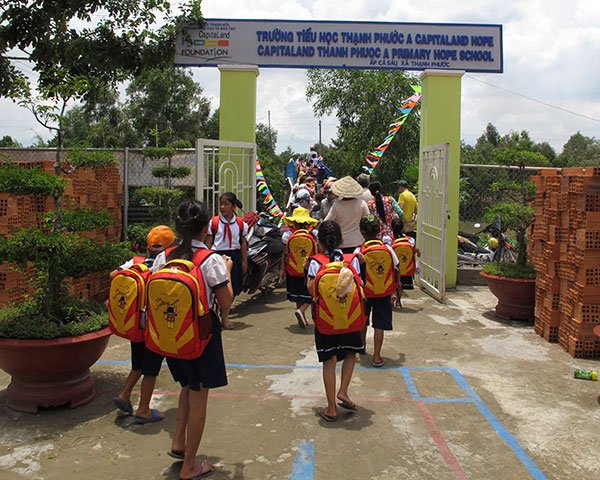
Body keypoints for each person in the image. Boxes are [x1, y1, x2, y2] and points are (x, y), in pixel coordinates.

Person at [152, 200, 233, 480]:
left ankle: (178, 442)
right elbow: (226, 301)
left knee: (187, 385)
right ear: (206, 227)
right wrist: (228, 270)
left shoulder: (164, 257)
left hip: (171, 336)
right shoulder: (211, 260)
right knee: (200, 396)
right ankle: (189, 466)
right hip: (202, 335)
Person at [110, 225, 175, 423]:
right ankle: (144, 409)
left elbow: (113, 276)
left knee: (137, 364)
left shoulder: (135, 262)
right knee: (151, 370)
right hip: (154, 326)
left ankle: (124, 395)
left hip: (135, 324)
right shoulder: (166, 267)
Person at [306, 221, 365, 422]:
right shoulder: (351, 260)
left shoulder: (315, 262)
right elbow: (360, 285)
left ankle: (331, 408)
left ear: (319, 242)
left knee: (329, 360)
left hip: (326, 319)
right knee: (350, 352)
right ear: (341, 240)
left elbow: (310, 290)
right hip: (349, 316)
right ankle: (344, 392)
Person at [356, 215, 399, 367]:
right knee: (379, 325)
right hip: (384, 292)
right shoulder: (387, 248)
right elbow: (396, 266)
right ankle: (377, 356)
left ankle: (361, 347)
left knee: (362, 321)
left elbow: (354, 272)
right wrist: (396, 286)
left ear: (361, 232)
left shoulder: (359, 251)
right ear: (379, 230)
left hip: (365, 293)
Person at [206, 192, 248, 330]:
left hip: (234, 256)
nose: (222, 207)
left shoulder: (240, 223)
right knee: (216, 286)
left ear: (234, 207)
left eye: (226, 204)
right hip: (217, 256)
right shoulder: (214, 222)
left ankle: (225, 316)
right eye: (221, 204)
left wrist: (244, 261)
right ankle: (216, 313)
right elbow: (209, 241)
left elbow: (243, 243)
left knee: (233, 287)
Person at [280, 207, 318, 328]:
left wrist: (282, 269)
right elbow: (316, 254)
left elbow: (285, 253)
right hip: (307, 271)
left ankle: (301, 317)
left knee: (297, 295)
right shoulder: (312, 235)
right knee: (312, 294)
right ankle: (302, 311)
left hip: (293, 270)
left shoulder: (288, 235)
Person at [324, 176, 369, 253]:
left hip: (342, 242)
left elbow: (326, 221)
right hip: (359, 241)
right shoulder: (361, 203)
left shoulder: (337, 205)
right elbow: (369, 219)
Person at [391, 217, 421, 308]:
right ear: (402, 228)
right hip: (405, 268)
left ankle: (393, 295)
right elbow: (414, 250)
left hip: (393, 267)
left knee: (394, 283)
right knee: (402, 285)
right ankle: (399, 301)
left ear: (392, 228)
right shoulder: (410, 240)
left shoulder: (388, 239)